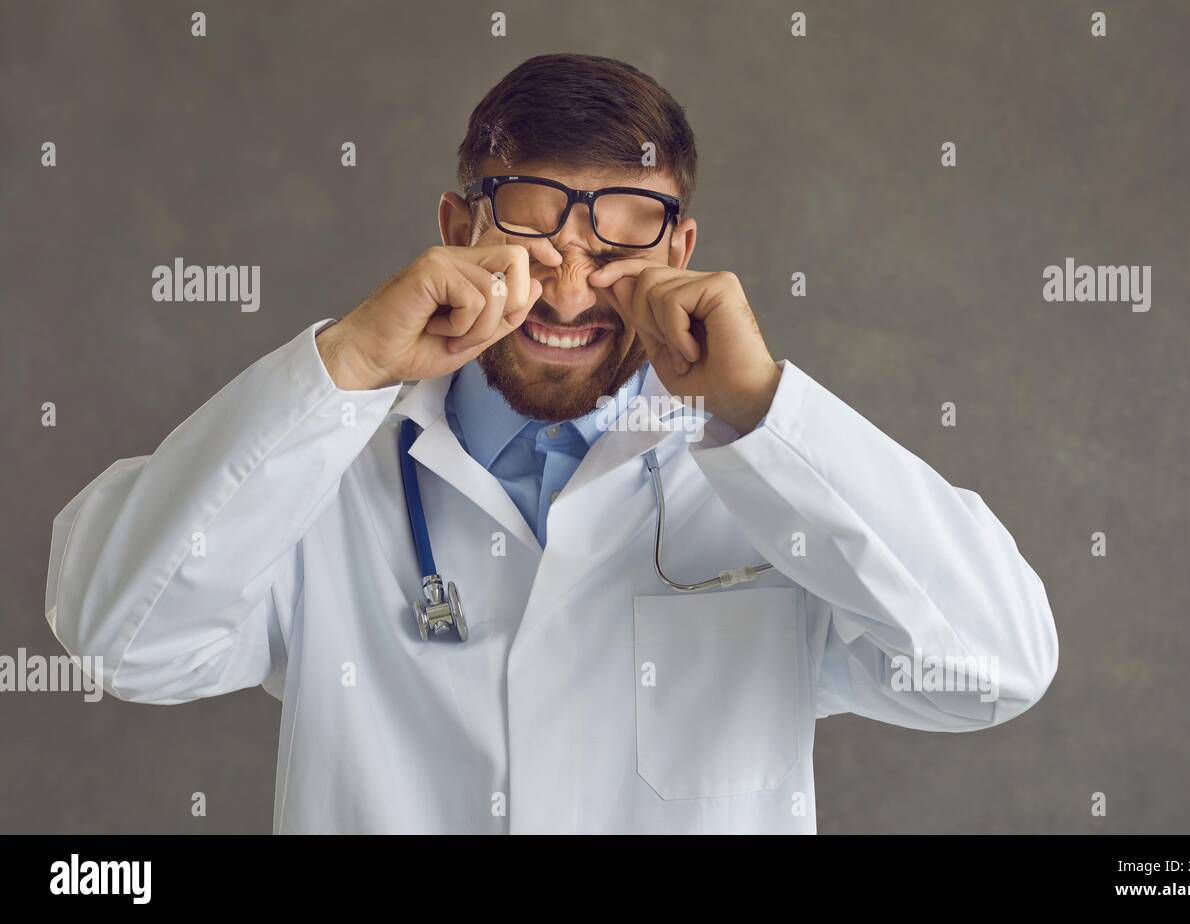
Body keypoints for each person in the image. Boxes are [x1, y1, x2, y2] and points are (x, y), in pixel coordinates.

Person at [45, 53, 1058, 834]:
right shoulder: (321, 470)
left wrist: (763, 411)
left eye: (621, 234)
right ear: (455, 227)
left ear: (681, 250)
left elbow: (994, 669)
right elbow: (122, 637)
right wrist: (348, 360)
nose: (571, 287)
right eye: (533, 228)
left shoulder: (768, 489)